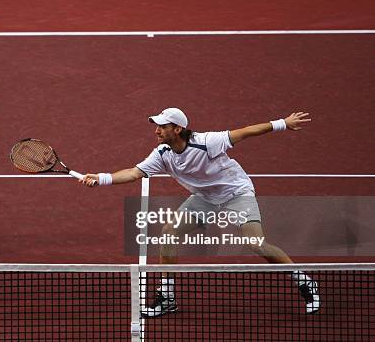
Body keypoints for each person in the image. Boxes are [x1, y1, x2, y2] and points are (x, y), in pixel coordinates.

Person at [80, 107, 319, 316]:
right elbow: (134, 173)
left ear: (177, 128)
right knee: (168, 233)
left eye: (162, 126)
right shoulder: (162, 154)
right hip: (205, 198)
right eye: (157, 126)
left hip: (237, 193)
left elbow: (245, 131)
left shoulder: (207, 142)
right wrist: (102, 178)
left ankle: (304, 281)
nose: (156, 131)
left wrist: (283, 124)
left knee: (255, 242)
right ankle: (167, 297)